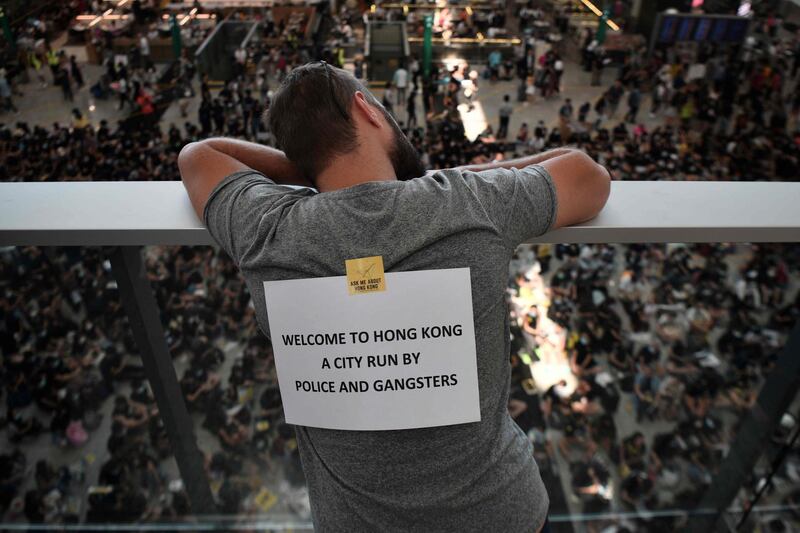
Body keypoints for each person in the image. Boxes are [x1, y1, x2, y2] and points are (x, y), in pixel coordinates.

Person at [178, 61, 610, 533]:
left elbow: (199, 155)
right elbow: (589, 178)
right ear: (366, 108)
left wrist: (306, 168)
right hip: (504, 515)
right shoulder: (468, 202)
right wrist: (456, 179)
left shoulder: (267, 229)